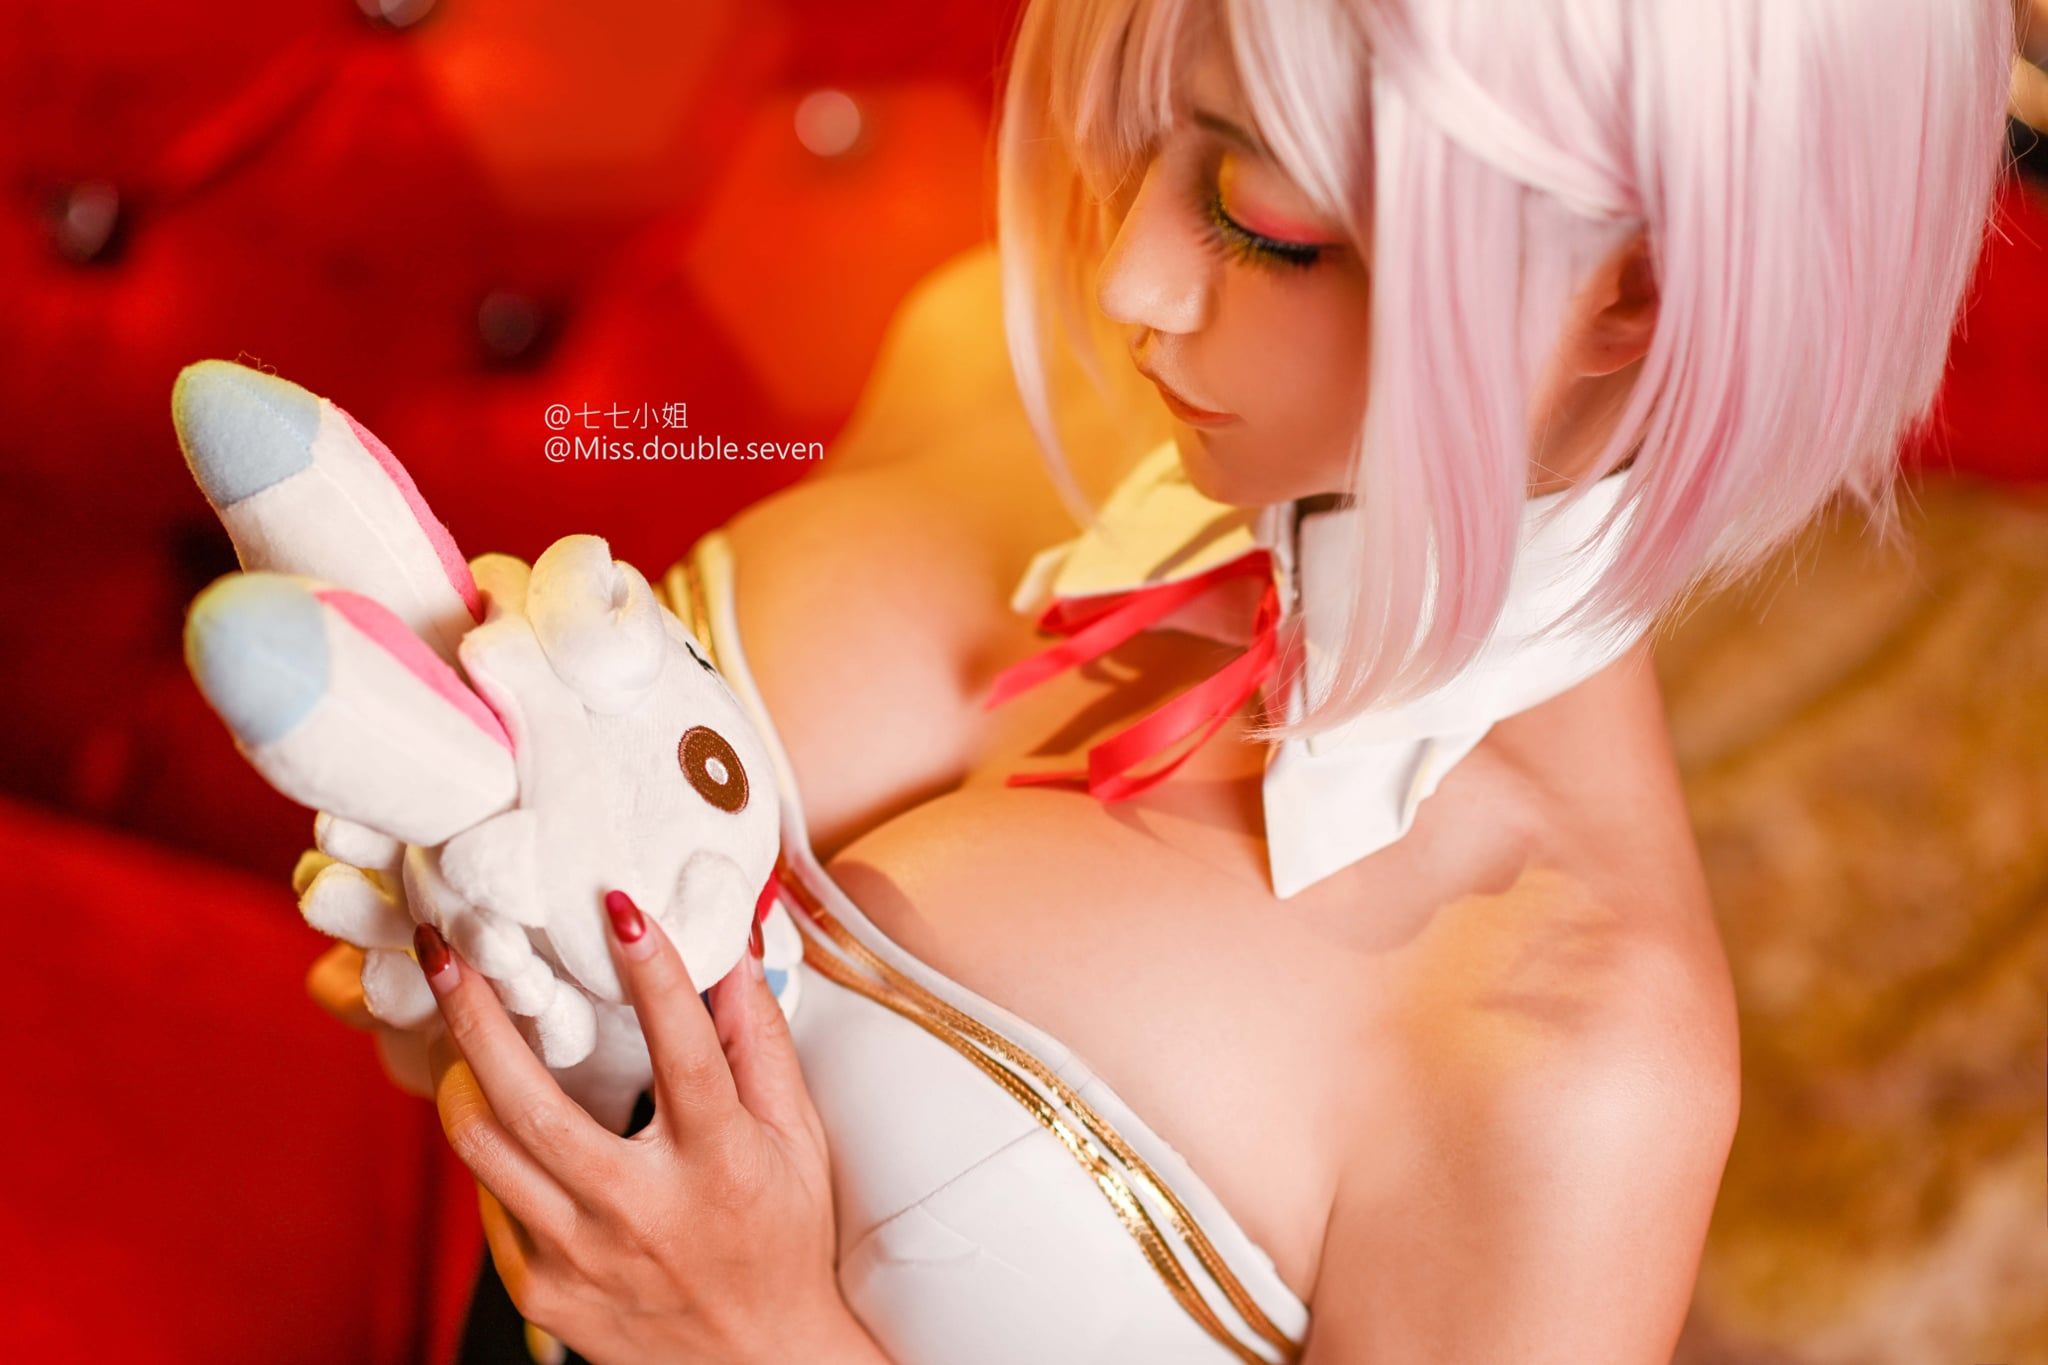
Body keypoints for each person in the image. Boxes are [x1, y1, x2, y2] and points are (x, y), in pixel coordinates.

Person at [301, 0, 2017, 1360]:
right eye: (1157, 122)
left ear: (1628, 290)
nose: (1129, 273)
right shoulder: (996, 343)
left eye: (1267, 218)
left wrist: (767, 1338)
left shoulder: (1573, 1059)